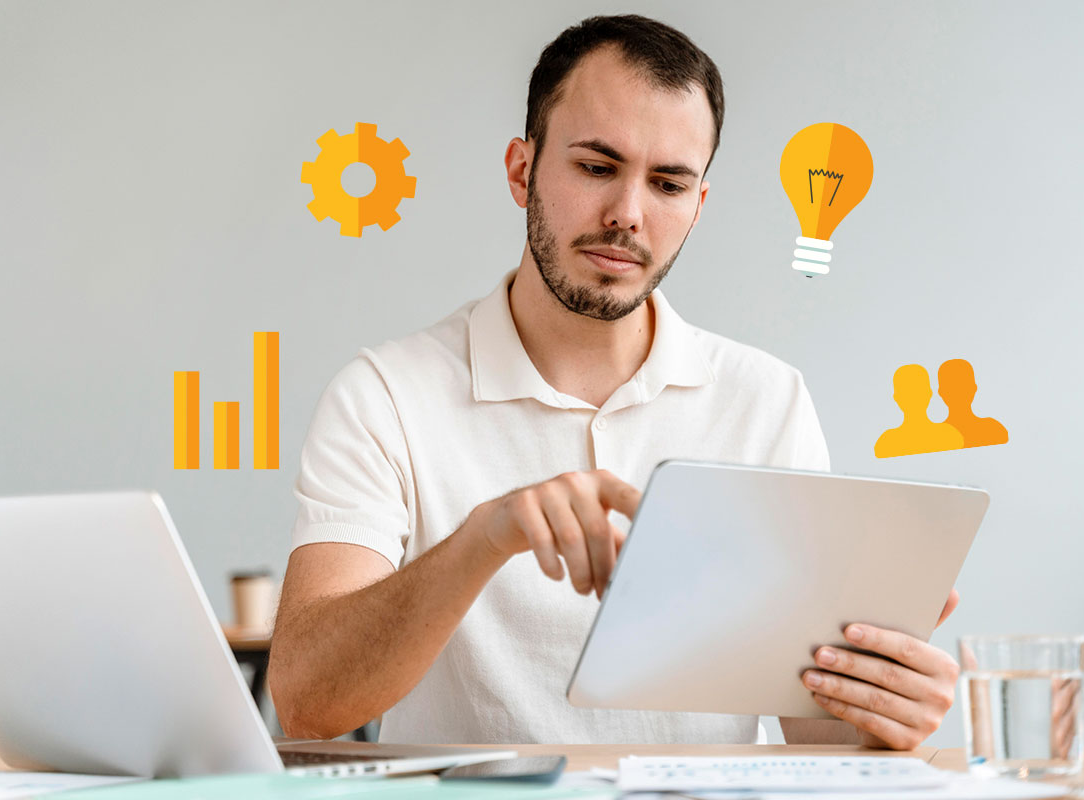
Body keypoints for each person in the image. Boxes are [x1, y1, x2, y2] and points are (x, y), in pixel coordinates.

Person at [269, 14, 961, 750]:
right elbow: (309, 704)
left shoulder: (768, 402)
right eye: (597, 167)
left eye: (667, 183)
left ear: (697, 208)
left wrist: (884, 711)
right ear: (521, 170)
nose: (627, 215)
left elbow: (810, 732)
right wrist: (486, 536)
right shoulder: (385, 395)